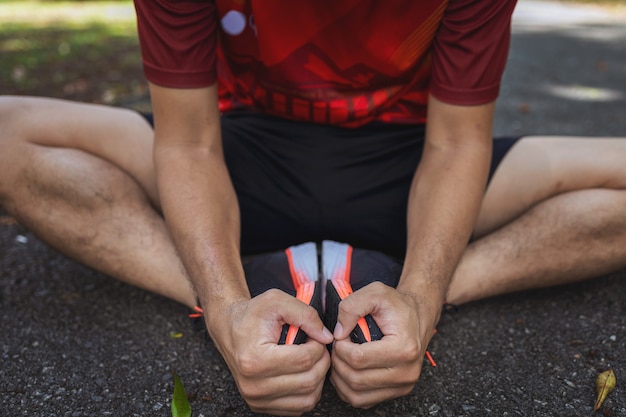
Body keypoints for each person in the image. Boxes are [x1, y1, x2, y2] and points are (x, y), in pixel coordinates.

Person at [1, 0, 625, 415]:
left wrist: (424, 296)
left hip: (412, 164)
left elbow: (457, 141)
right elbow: (188, 142)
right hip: (240, 153)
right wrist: (224, 307)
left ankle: (393, 287)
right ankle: (255, 292)